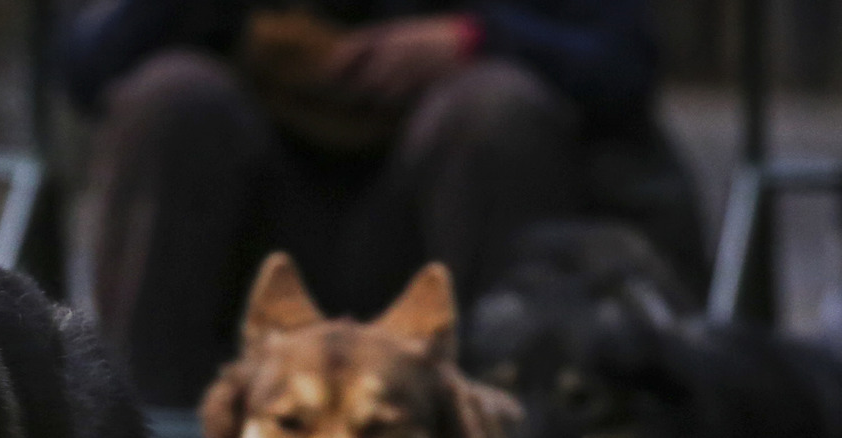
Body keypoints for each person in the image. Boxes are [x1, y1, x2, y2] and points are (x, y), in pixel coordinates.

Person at [64, 0, 706, 407]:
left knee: (490, 110)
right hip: (255, 234)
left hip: (454, 223)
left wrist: (472, 39)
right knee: (172, 100)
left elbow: (623, 60)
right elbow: (88, 66)